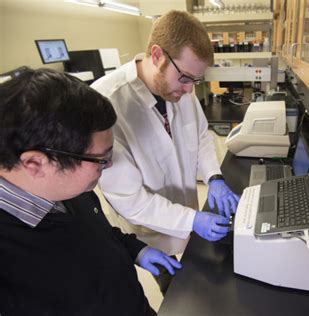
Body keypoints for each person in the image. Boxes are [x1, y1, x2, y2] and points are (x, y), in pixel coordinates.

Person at [0, 68, 182, 315]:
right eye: (100, 159)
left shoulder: (71, 188)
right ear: (35, 164)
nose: (109, 165)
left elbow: (96, 233)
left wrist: (136, 249)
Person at [91, 11, 240, 292]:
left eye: (194, 81)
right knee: (178, 292)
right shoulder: (106, 103)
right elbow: (130, 199)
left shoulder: (182, 87)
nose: (188, 89)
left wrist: (214, 177)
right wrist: (191, 220)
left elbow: (199, 135)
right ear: (157, 55)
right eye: (184, 78)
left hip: (188, 211)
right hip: (150, 230)